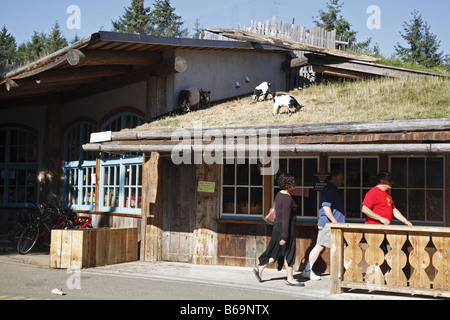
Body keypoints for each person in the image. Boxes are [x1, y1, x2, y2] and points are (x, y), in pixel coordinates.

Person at [253, 173, 303, 286]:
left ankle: (260, 268)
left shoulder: (279, 194)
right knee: (289, 252)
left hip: (279, 227)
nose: (295, 184)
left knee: (277, 252)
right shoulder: (287, 198)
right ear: (288, 183)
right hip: (285, 229)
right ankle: (290, 278)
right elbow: (286, 218)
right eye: (293, 182)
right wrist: (285, 237)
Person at [302, 169, 345, 281]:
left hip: (331, 225)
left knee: (340, 247)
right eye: (341, 177)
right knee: (320, 246)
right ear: (334, 178)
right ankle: (307, 270)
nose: (342, 180)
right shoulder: (329, 189)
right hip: (329, 225)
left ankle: (346, 271)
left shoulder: (332, 189)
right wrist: (335, 223)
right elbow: (326, 208)